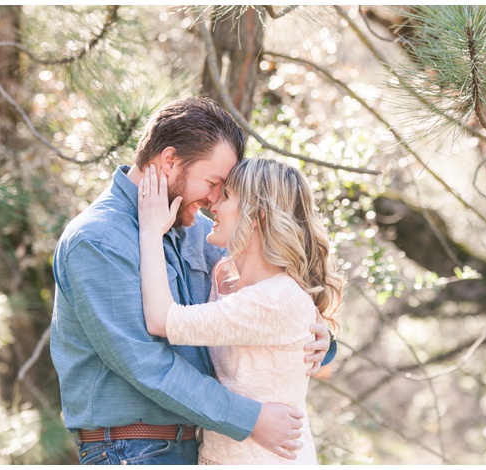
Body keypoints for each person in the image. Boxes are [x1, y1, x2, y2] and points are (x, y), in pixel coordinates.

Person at [49, 97, 337, 465]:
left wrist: (320, 337)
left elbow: (267, 307)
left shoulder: (201, 232)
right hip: (134, 450)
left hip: (203, 446)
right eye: (213, 182)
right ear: (169, 161)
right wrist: (249, 419)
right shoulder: (98, 241)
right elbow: (145, 363)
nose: (215, 199)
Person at [137, 157, 345, 464]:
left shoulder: (276, 299)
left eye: (227, 197)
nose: (214, 206)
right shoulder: (227, 277)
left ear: (257, 217)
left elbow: (161, 320)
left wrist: (151, 232)